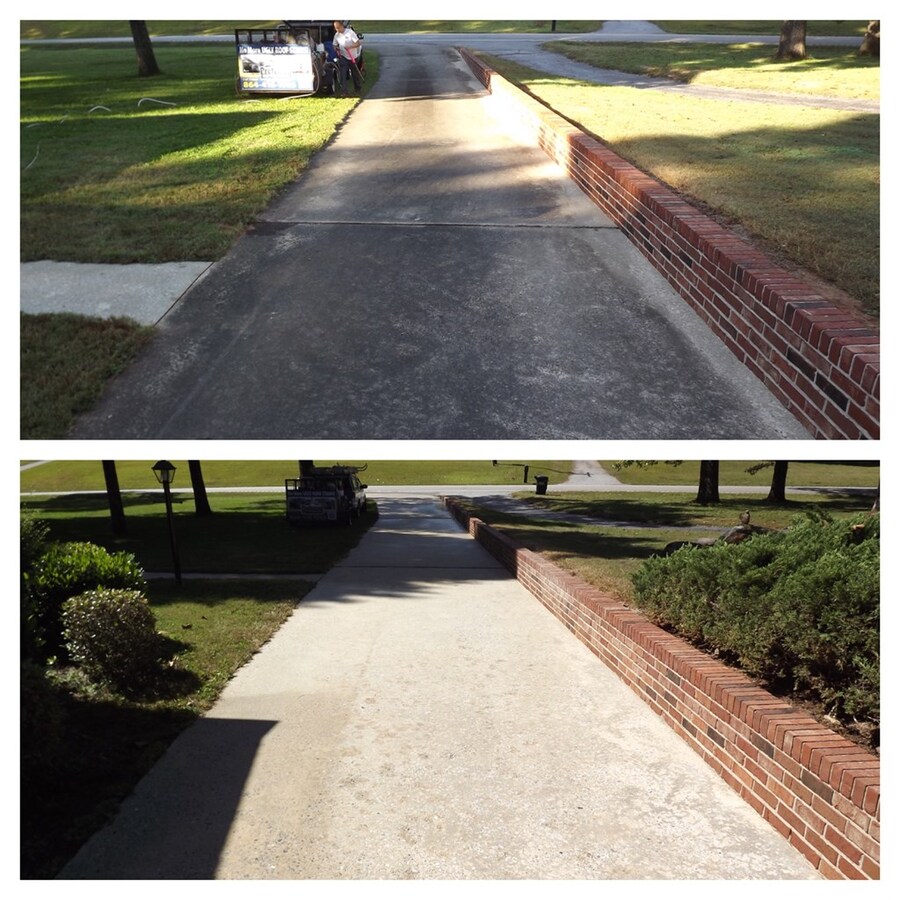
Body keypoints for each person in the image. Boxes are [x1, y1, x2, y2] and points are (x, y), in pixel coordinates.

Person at [332, 20, 363, 93]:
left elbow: (358, 43)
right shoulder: (337, 35)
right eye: (335, 28)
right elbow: (334, 44)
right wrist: (336, 48)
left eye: (338, 28)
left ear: (342, 26)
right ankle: (344, 91)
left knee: (355, 74)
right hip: (343, 56)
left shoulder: (350, 33)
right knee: (343, 73)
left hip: (352, 57)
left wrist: (350, 47)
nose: (337, 30)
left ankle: (357, 88)